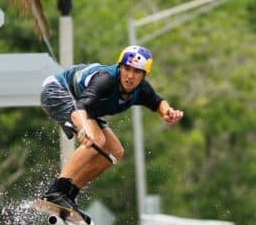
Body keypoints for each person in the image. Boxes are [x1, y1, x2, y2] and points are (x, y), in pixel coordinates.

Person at [40, 45, 183, 211]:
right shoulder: (106, 79)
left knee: (114, 152)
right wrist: (84, 129)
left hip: (82, 105)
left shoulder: (142, 89)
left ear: (144, 75)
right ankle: (56, 192)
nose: (130, 76)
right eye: (126, 69)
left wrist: (167, 112)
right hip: (57, 91)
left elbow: (158, 102)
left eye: (136, 72)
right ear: (119, 66)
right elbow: (80, 107)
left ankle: (70, 194)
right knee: (96, 140)